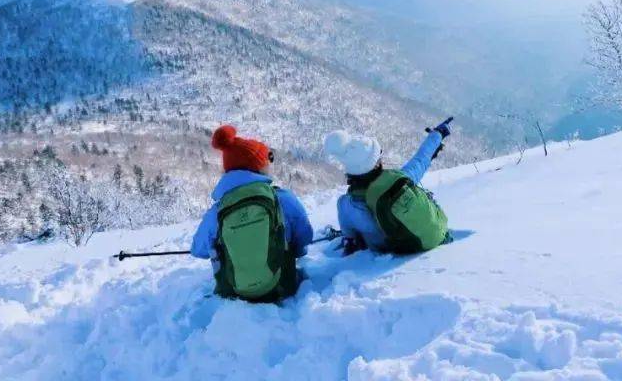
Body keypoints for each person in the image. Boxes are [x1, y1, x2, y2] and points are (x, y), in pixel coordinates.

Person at [191, 124, 315, 302]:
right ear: (257, 166)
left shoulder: (217, 211)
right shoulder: (283, 198)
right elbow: (305, 236)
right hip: (283, 286)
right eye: (266, 159)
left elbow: (199, 250)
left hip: (235, 294)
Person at [325, 119, 452, 255]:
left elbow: (350, 238)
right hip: (426, 233)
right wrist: (437, 134)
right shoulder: (398, 179)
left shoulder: (347, 204)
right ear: (375, 164)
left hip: (389, 249)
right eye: (378, 155)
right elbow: (420, 160)